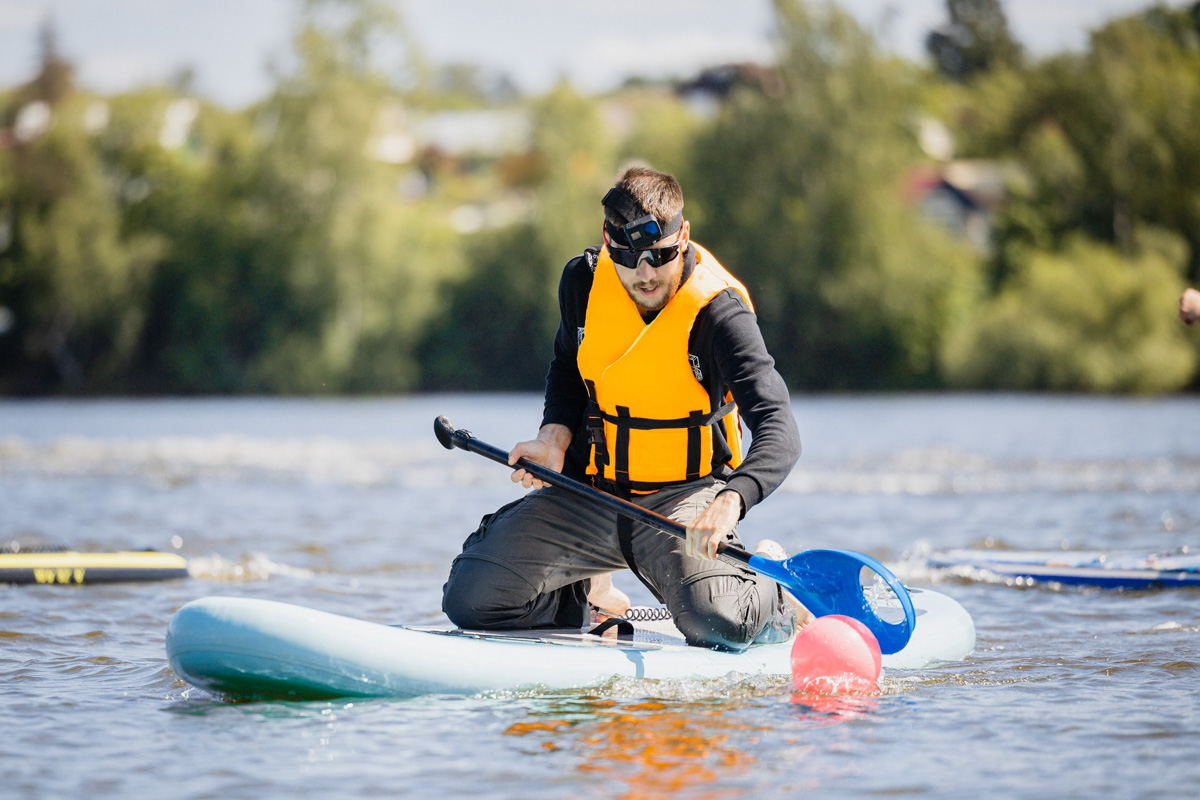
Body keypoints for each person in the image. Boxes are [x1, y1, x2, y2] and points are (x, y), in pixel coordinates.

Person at [441, 166, 802, 651]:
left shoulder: (720, 314)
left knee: (715, 622)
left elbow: (779, 427)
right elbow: (568, 367)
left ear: (683, 236)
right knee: (472, 599)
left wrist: (732, 499)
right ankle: (585, 598)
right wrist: (553, 437)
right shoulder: (582, 281)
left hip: (683, 504)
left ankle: (774, 594)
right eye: (629, 257)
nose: (645, 273)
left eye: (661, 256)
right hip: (591, 495)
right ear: (608, 242)